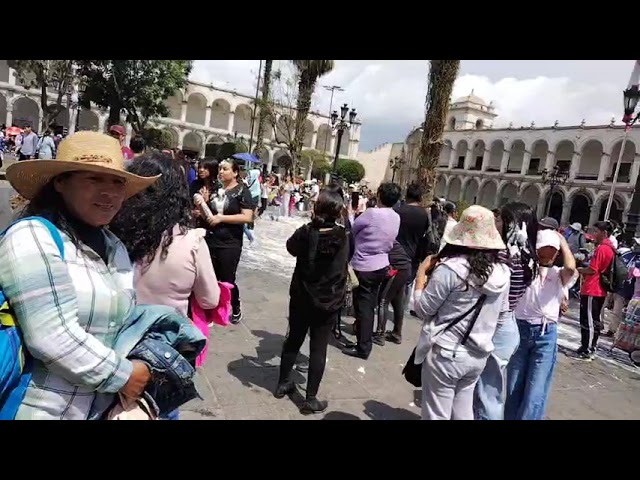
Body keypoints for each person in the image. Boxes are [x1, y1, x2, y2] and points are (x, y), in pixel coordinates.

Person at [0, 131, 159, 419]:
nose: (109, 193)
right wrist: (126, 376)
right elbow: (49, 335)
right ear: (60, 182)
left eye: (117, 182)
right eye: (94, 179)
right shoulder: (32, 236)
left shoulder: (115, 247)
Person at [110, 151, 220, 421]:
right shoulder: (191, 242)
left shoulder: (114, 233)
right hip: (165, 353)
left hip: (117, 347)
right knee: (162, 411)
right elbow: (210, 299)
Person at [413, 205, 510, 420]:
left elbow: (423, 309)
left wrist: (421, 275)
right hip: (478, 355)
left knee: (436, 414)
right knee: (463, 412)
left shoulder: (451, 269)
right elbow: (502, 318)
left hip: (446, 353)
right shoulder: (503, 273)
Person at [274, 187, 352, 415]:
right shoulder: (342, 234)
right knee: (318, 348)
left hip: (302, 296)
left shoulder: (306, 231)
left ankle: (282, 383)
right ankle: (310, 398)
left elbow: (290, 248)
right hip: (328, 301)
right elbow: (349, 258)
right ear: (337, 211)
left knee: (293, 340)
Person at [474, 202, 539, 420]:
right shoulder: (528, 256)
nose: (496, 223)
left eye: (501, 220)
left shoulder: (505, 256)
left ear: (514, 225)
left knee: (487, 392)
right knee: (488, 390)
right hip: (508, 323)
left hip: (495, 323)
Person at [505, 230, 577, 420]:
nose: (548, 254)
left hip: (545, 335)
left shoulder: (559, 275)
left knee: (535, 392)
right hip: (520, 330)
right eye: (544, 249)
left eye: (553, 251)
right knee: (513, 387)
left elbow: (570, 267)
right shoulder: (526, 269)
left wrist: (561, 240)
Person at [343, 182, 401, 360]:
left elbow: (353, 228)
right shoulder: (396, 217)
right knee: (368, 304)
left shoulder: (372, 213)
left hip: (365, 264)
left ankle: (363, 347)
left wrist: (349, 215)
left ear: (381, 196)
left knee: (364, 308)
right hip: (382, 263)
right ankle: (362, 341)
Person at [198, 158, 253, 324]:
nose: (221, 172)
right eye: (220, 169)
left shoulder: (242, 191)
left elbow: (247, 216)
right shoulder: (214, 189)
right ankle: (211, 310)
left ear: (235, 172)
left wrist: (222, 218)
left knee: (228, 279)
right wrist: (204, 203)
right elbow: (208, 215)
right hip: (211, 238)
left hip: (230, 242)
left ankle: (235, 305)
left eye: (225, 169)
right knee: (210, 277)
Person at [576, 220, 616, 360]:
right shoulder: (609, 248)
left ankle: (588, 348)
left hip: (593, 288)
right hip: (598, 290)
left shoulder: (602, 248)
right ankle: (587, 345)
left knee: (590, 320)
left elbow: (592, 269)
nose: (594, 235)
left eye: (596, 231)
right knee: (592, 319)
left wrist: (578, 269)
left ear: (604, 233)